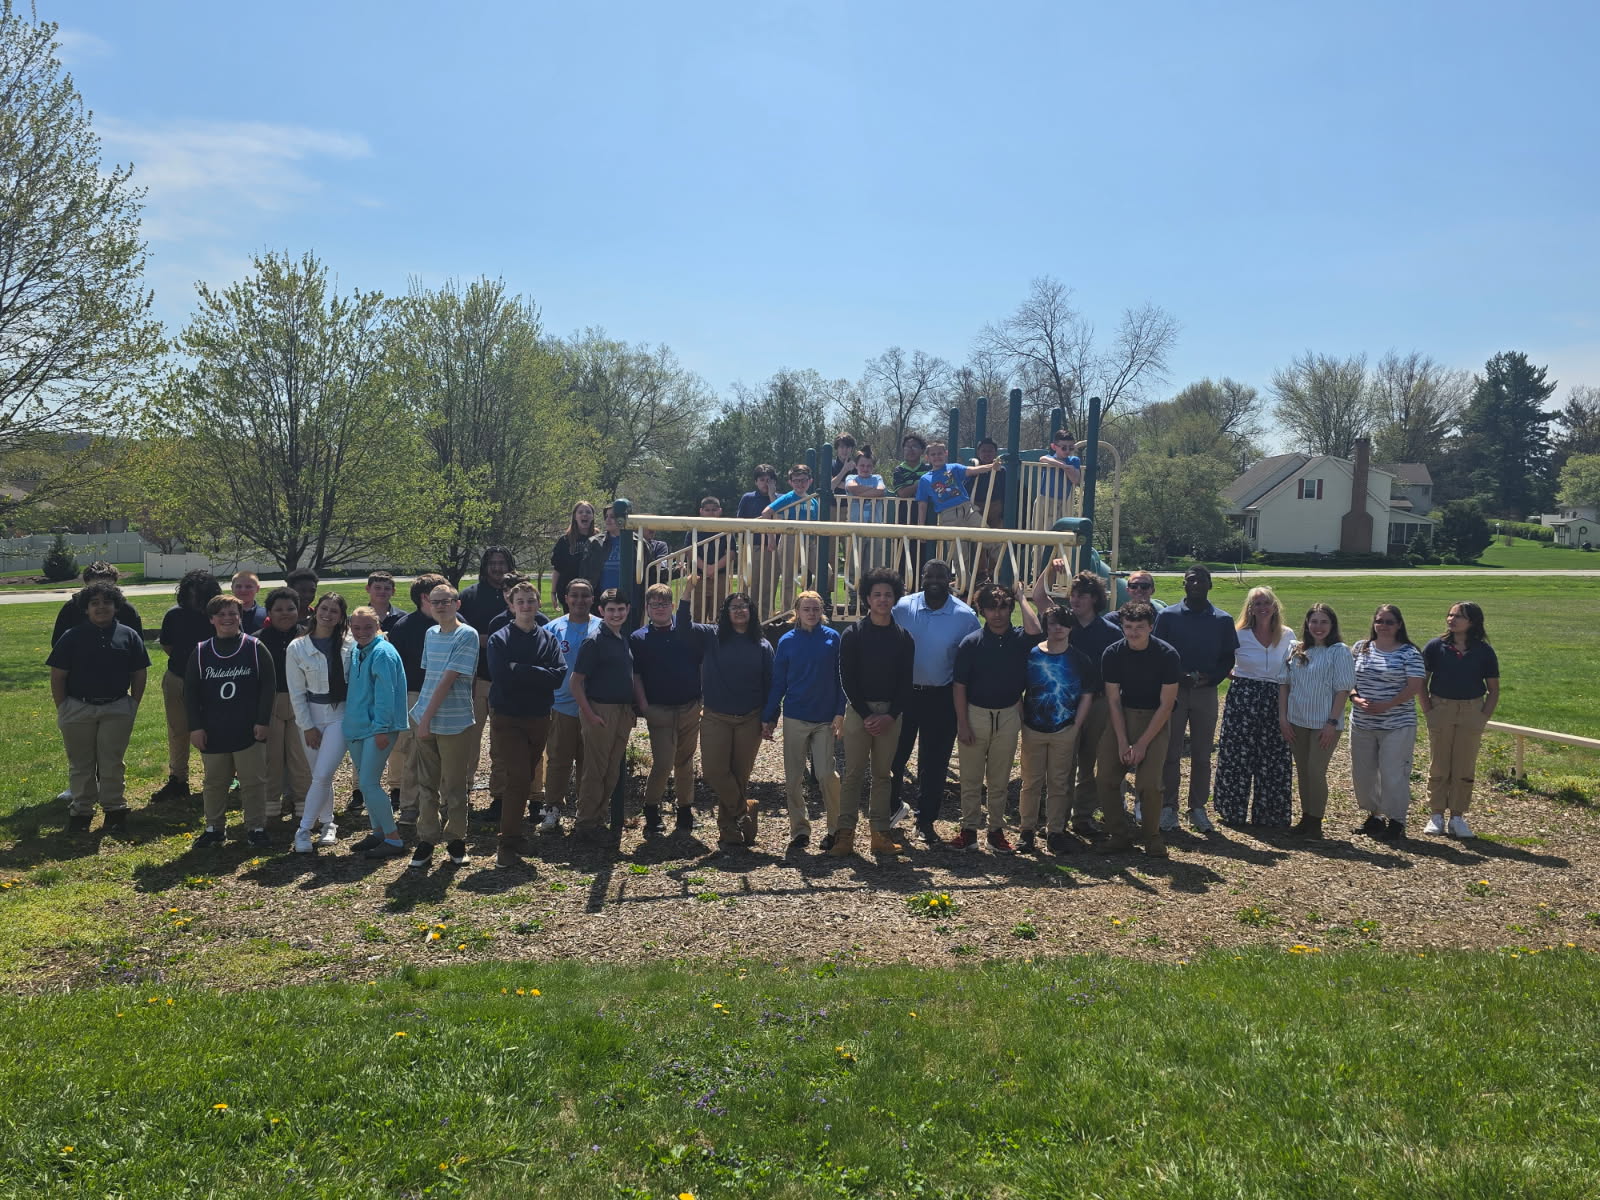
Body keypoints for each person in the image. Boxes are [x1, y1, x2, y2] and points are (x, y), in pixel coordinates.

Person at [891, 559, 981, 844]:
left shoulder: (964, 615)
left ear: (950, 580)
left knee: (934, 762)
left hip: (941, 696)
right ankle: (890, 809)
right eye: (930, 577)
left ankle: (925, 819)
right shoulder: (902, 607)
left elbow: (971, 659)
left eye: (941, 578)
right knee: (894, 756)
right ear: (922, 577)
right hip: (904, 694)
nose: (935, 582)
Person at [47, 581, 149, 833]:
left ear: (116, 606)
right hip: (77, 709)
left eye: (107, 602)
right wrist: (64, 708)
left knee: (112, 762)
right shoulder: (71, 637)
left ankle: (115, 810)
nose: (101, 607)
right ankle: (81, 811)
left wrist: (132, 704)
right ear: (86, 609)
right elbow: (58, 676)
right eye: (95, 603)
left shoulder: (129, 635)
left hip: (116, 708)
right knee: (81, 763)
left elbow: (139, 673)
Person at [951, 581, 1043, 852]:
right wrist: (962, 723)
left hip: (1008, 714)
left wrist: (1021, 597)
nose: (998, 613)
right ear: (982, 610)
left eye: (1004, 607)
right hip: (976, 712)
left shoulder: (1019, 639)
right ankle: (968, 830)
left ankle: (995, 831)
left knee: (999, 778)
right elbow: (959, 686)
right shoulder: (971, 643)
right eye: (991, 607)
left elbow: (1036, 631)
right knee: (970, 777)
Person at [1034, 565, 1122, 839]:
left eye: (1082, 595)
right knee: (1061, 763)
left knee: (1089, 762)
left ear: (1095, 598)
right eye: (1073, 594)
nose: (1075, 599)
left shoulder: (1110, 631)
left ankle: (1082, 818)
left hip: (1097, 703)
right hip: (1063, 702)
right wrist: (1050, 568)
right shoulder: (1063, 621)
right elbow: (1038, 597)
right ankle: (1055, 818)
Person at [487, 580, 567, 868]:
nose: (525, 606)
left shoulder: (548, 638)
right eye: (519, 601)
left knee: (526, 777)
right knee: (518, 777)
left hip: (539, 717)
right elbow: (501, 677)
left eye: (530, 601)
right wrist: (538, 674)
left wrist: (519, 669)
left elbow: (558, 676)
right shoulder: (500, 639)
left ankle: (516, 836)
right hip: (508, 718)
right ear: (511, 606)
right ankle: (507, 842)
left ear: (538, 604)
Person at [1094, 601, 1182, 858]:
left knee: (1149, 783)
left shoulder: (1167, 655)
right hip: (1123, 715)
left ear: (1151, 627)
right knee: (1106, 778)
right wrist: (1122, 741)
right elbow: (1113, 700)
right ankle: (1118, 834)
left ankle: (1152, 836)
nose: (1133, 632)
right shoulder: (1112, 653)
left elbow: (1167, 705)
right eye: (1128, 626)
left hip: (1155, 718)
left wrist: (1142, 744)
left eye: (1139, 627)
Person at [1152, 566, 1237, 833]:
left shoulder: (1222, 620)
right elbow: (1158, 651)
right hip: (1173, 691)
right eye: (1191, 579)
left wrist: (1211, 678)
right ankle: (1168, 807)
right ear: (1184, 584)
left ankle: (1197, 808)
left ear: (1210, 585)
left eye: (1202, 580)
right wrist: (1176, 674)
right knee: (1170, 752)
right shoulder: (1167, 616)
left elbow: (1227, 658)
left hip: (1205, 691)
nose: (1197, 583)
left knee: (1202, 754)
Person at [185, 595, 274, 848]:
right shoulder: (202, 651)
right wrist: (195, 726)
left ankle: (256, 827)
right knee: (214, 782)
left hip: (248, 728)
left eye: (233, 613)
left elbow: (268, 687)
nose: (227, 618)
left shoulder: (254, 647)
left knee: (253, 782)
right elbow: (190, 692)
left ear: (240, 616)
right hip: (213, 730)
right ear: (212, 619)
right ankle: (214, 827)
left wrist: (263, 720)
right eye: (221, 614)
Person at [838, 568, 915, 857]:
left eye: (888, 594)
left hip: (891, 715)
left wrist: (890, 715)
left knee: (884, 774)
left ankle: (880, 834)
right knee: (853, 774)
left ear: (895, 598)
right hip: (859, 711)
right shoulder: (853, 635)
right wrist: (865, 713)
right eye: (877, 594)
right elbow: (847, 678)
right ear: (868, 598)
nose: (883, 599)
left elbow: (905, 683)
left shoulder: (904, 638)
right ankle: (844, 834)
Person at [761, 591, 845, 856]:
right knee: (793, 777)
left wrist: (840, 712)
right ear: (797, 611)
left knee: (825, 773)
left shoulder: (833, 638)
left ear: (822, 611)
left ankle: (835, 829)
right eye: (806, 609)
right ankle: (799, 830)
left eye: (816, 609)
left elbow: (841, 679)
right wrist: (769, 715)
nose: (811, 613)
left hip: (824, 718)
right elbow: (779, 682)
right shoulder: (787, 641)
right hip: (796, 715)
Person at [409, 582, 482, 870]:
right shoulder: (430, 633)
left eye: (446, 601)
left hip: (455, 721)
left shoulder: (468, 635)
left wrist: (425, 719)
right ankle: (426, 838)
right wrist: (422, 716)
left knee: (454, 786)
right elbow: (430, 676)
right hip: (425, 717)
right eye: (435, 601)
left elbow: (448, 679)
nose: (440, 606)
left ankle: (456, 839)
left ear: (457, 604)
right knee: (426, 784)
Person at [1018, 598, 1097, 855]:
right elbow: (1018, 689)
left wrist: (1077, 725)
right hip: (1033, 727)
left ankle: (1055, 831)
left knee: (1059, 783)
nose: (1058, 629)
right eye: (1053, 624)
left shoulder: (1080, 659)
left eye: (1064, 624)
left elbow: (1087, 694)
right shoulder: (1031, 655)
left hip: (1065, 728)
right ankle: (1027, 831)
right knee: (1030, 782)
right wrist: (1022, 719)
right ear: (1046, 626)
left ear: (1071, 628)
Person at [1212, 587, 1296, 828]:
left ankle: (1270, 814)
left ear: (1274, 605)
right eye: (1257, 603)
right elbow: (1223, 659)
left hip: (1276, 696)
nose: (1262, 607)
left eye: (1266, 602)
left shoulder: (1288, 634)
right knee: (1237, 754)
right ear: (1250, 608)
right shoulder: (1240, 634)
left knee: (1274, 756)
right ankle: (1232, 810)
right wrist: (1229, 673)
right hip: (1244, 697)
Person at [631, 582, 710, 835]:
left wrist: (702, 699)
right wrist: (643, 705)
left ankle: (685, 810)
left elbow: (701, 664)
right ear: (647, 608)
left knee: (685, 762)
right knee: (663, 762)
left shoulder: (686, 633)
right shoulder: (639, 638)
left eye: (664, 604)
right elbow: (637, 675)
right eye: (655, 605)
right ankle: (651, 810)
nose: (660, 609)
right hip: (659, 709)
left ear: (672, 606)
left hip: (689, 706)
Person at [697, 589, 774, 852]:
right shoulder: (712, 637)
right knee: (714, 771)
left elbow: (770, 686)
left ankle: (729, 831)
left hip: (749, 718)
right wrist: (687, 591)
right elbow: (683, 625)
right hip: (715, 715)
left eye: (744, 606)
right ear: (726, 613)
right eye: (734, 607)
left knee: (738, 776)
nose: (740, 610)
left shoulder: (763, 646)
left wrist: (770, 719)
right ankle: (744, 810)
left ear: (751, 612)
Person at [1421, 601, 1499, 839]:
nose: (1451, 619)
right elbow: (1421, 682)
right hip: (1441, 707)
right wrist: (1428, 710)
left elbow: (1493, 689)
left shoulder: (1484, 651)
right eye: (1450, 615)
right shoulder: (1436, 646)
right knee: (1440, 763)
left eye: (1458, 616)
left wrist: (1483, 716)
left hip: (1471, 710)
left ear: (1472, 622)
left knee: (1464, 764)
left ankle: (1457, 816)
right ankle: (1436, 815)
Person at [1277, 604, 1355, 839]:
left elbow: (1343, 689)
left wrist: (1332, 722)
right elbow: (1284, 684)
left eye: (1324, 622)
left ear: (1332, 626)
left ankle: (1316, 820)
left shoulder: (1338, 651)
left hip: (1324, 723)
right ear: (1307, 624)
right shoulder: (1296, 649)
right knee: (1303, 771)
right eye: (1314, 622)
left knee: (1315, 770)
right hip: (1297, 720)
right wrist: (1283, 718)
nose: (1318, 627)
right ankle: (1306, 817)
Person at [1349, 604, 1426, 842]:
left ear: (1399, 625)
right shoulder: (1361, 648)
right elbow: (1347, 678)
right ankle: (1375, 816)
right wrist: (1354, 697)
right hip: (1362, 722)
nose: (1383, 626)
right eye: (1380, 621)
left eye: (1389, 622)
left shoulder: (1409, 653)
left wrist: (1387, 704)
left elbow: (1415, 686)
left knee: (1393, 773)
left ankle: (1396, 820)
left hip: (1396, 723)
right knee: (1364, 773)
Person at [568, 588, 636, 844]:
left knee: (612, 771)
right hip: (600, 710)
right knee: (595, 770)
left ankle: (597, 818)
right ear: (601, 611)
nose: (616, 614)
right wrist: (590, 715)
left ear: (627, 610)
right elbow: (576, 683)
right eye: (610, 610)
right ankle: (585, 824)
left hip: (622, 712)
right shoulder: (594, 641)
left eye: (620, 609)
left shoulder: (622, 638)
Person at [286, 592, 352, 853]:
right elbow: (296, 692)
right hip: (312, 714)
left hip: (341, 714)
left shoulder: (350, 644)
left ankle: (303, 830)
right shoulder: (298, 647)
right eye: (324, 609)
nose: (327, 615)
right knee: (318, 776)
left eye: (334, 611)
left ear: (340, 616)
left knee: (323, 773)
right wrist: (307, 726)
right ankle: (328, 823)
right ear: (316, 611)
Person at [342, 605, 409, 859]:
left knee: (369, 783)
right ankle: (378, 830)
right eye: (356, 628)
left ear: (377, 625)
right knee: (366, 782)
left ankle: (394, 839)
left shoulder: (382, 652)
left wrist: (381, 728)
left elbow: (385, 695)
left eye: (368, 627)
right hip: (357, 727)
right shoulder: (358, 651)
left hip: (378, 728)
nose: (361, 632)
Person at [152, 569, 222, 803]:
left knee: (211, 730)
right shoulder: (174, 615)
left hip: (211, 682)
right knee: (178, 731)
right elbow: (168, 645)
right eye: (191, 594)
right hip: (178, 679)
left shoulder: (219, 616)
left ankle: (215, 779)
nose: (195, 600)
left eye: (201, 595)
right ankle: (178, 780)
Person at [460, 545, 515, 823]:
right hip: (476, 679)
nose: (497, 567)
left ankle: (499, 796)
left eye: (502, 562)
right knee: (468, 740)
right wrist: (481, 639)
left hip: (507, 683)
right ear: (485, 566)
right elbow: (458, 631)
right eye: (492, 563)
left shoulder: (518, 595)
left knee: (502, 744)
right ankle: (462, 795)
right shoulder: (469, 596)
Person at [387, 573, 446, 827]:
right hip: (414, 694)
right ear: (425, 597)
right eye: (439, 594)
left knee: (445, 752)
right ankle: (410, 807)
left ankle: (442, 805)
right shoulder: (404, 626)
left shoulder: (455, 623)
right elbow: (395, 669)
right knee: (413, 752)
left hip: (447, 695)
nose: (445, 601)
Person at [542, 577, 598, 835]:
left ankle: (586, 811)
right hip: (561, 705)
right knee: (558, 760)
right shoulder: (553, 629)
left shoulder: (601, 627)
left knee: (590, 763)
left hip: (593, 708)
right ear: (566, 598)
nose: (579, 600)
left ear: (592, 598)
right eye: (574, 595)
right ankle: (553, 808)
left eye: (585, 595)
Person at [255, 586, 311, 824]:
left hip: (302, 703)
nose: (285, 613)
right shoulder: (257, 640)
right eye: (278, 609)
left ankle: (304, 808)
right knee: (271, 759)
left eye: (290, 608)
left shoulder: (308, 637)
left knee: (301, 759)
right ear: (269, 612)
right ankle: (270, 809)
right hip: (270, 703)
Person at [915, 441, 999, 577]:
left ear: (945, 454)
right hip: (948, 517)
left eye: (940, 454)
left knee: (990, 538)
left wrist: (991, 466)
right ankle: (964, 585)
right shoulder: (925, 479)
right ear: (928, 458)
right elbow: (922, 504)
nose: (937, 457)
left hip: (967, 510)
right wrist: (921, 526)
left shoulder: (952, 468)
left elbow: (973, 470)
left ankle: (1005, 572)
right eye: (933, 454)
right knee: (960, 554)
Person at [761, 464, 822, 615]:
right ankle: (788, 612)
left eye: (803, 480)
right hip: (790, 540)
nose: (800, 484)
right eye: (796, 481)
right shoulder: (789, 497)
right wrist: (771, 538)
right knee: (789, 578)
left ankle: (808, 600)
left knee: (825, 573)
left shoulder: (813, 501)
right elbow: (766, 512)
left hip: (809, 542)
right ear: (790, 482)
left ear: (810, 481)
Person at [52, 562, 143, 646]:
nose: (101, 591)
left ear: (115, 585)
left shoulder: (127, 610)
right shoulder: (71, 608)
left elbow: (137, 645)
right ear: (86, 585)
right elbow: (58, 643)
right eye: (95, 587)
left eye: (107, 587)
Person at [737, 466, 781, 620]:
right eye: (762, 480)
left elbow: (780, 518)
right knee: (750, 584)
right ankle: (746, 617)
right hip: (752, 546)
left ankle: (765, 620)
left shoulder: (781, 498)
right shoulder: (748, 498)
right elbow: (740, 522)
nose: (765, 483)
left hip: (774, 548)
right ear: (756, 482)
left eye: (769, 480)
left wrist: (771, 496)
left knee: (768, 586)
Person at [842, 449, 889, 582]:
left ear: (873, 467)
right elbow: (852, 488)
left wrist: (859, 494)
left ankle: (869, 598)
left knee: (874, 568)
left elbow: (881, 491)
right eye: (862, 465)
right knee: (853, 565)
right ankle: (852, 598)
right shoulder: (851, 477)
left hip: (875, 528)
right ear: (856, 466)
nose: (865, 468)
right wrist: (870, 492)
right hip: (855, 528)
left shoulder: (878, 477)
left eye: (869, 466)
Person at [687, 496, 732, 620]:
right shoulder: (694, 529)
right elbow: (690, 552)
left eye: (714, 509)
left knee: (720, 614)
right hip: (699, 577)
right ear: (701, 511)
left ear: (720, 511)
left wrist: (714, 569)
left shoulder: (726, 528)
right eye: (707, 510)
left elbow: (731, 552)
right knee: (697, 613)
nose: (711, 513)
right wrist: (705, 569)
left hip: (720, 577)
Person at [550, 501, 597, 613]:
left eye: (588, 512)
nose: (584, 514)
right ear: (575, 516)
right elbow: (557, 569)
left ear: (593, 516)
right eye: (580, 512)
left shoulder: (599, 540)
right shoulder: (565, 540)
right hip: (569, 593)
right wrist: (553, 592)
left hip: (593, 593)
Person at [1032, 429, 1083, 527]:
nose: (1067, 451)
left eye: (1071, 448)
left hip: (1060, 502)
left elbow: (1075, 480)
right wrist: (1062, 465)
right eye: (1064, 448)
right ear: (1054, 447)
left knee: (1053, 530)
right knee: (1037, 530)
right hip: (1043, 499)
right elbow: (1042, 458)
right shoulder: (1050, 458)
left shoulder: (1073, 460)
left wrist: (1068, 469)